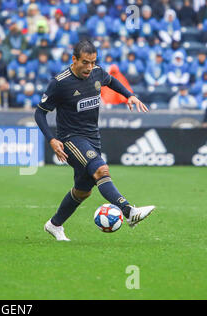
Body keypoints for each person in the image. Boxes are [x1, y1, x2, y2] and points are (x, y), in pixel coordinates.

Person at [35, 40, 155, 241]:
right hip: (70, 139)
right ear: (74, 60)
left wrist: (129, 96)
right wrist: (52, 140)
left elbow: (111, 81)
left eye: (93, 62)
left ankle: (54, 225)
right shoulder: (60, 83)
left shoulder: (97, 72)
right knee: (101, 170)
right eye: (85, 62)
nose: (90, 67)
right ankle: (128, 212)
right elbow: (40, 113)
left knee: (83, 191)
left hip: (92, 137)